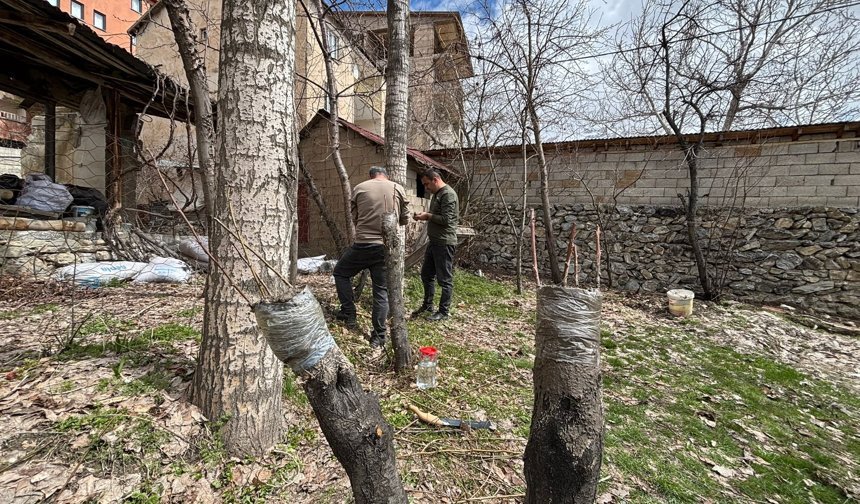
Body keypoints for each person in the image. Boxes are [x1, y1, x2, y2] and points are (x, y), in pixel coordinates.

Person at [333, 166, 409, 348]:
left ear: (371, 176)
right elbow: (404, 218)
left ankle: (349, 313)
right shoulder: (397, 188)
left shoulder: (360, 188)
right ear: (386, 175)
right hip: (385, 248)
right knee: (380, 291)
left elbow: (354, 217)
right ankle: (379, 336)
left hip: (363, 244)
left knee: (340, 273)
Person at [411, 168, 459, 321]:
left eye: (427, 184)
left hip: (444, 242)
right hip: (434, 241)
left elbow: (447, 220)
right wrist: (425, 216)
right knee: (426, 274)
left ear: (435, 180)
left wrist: (428, 216)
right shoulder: (438, 194)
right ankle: (428, 305)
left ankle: (444, 312)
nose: (426, 188)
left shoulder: (448, 194)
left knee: (444, 279)